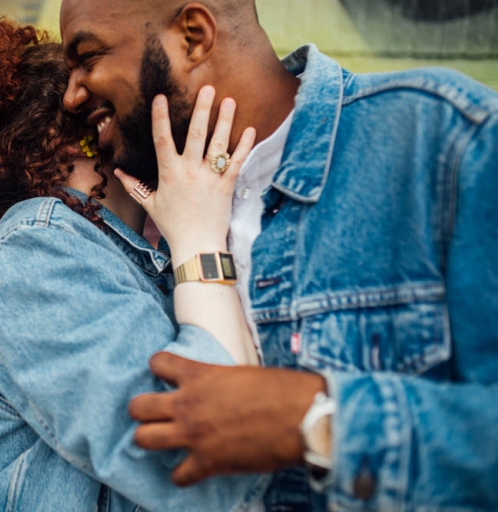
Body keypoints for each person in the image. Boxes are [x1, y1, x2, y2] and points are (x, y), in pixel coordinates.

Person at [59, 0, 498, 510]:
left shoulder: (441, 142)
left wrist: (315, 419)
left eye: (87, 58)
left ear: (194, 37)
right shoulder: (154, 230)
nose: (71, 95)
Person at [0, 4, 264, 511]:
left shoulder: (126, 255)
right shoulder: (39, 246)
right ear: (77, 138)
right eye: (106, 110)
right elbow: (192, 460)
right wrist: (199, 241)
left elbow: (239, 417)